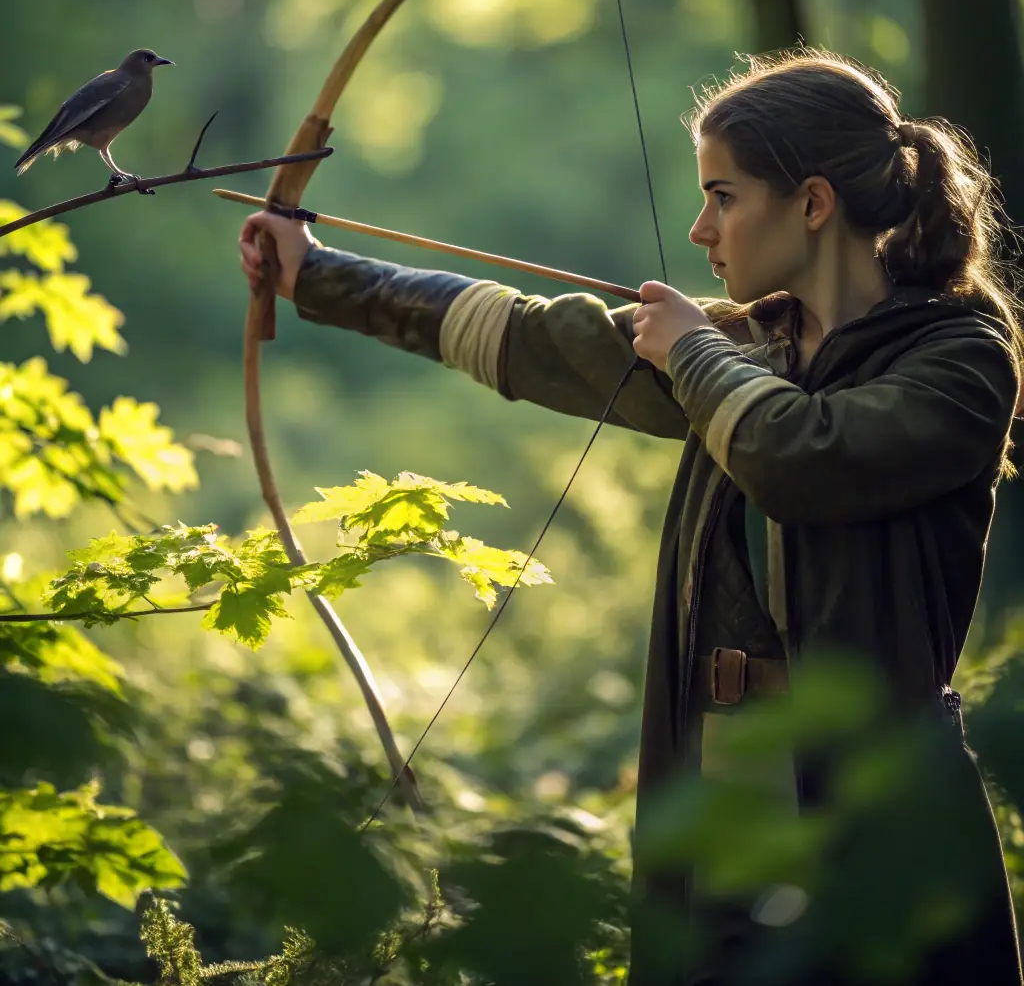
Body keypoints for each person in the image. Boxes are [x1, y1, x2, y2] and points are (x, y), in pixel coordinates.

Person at [239, 50, 1023, 985]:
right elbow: (535, 338)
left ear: (813, 203)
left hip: (881, 797)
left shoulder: (959, 358)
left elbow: (804, 455)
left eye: (724, 197)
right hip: (729, 775)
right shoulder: (746, 347)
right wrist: (315, 274)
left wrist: (692, 353)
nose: (701, 229)